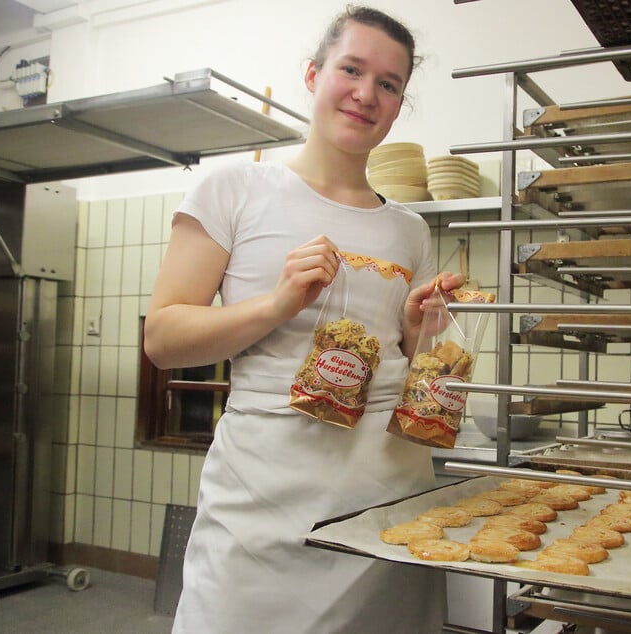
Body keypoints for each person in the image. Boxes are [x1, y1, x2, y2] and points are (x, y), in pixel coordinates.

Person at [144, 6, 462, 632]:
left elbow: (402, 353)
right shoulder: (233, 189)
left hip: (388, 490)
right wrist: (276, 303)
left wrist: (420, 330)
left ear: (399, 106)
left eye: (389, 84)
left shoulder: (409, 228)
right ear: (314, 75)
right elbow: (162, 339)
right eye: (352, 69)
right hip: (263, 497)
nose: (366, 94)